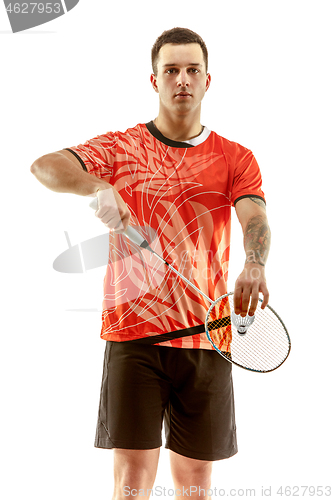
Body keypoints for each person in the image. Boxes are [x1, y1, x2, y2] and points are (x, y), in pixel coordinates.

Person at [31, 27, 270, 499]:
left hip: (208, 335)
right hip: (133, 337)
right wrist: (98, 187)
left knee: (196, 486)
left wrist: (256, 263)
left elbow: (254, 217)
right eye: (171, 70)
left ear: (207, 81)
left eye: (192, 70)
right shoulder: (123, 148)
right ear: (154, 80)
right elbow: (45, 165)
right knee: (131, 484)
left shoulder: (236, 157)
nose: (182, 79)